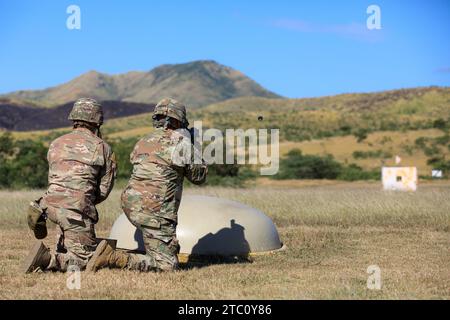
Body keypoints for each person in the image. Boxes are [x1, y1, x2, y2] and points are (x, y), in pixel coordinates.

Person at [87, 97, 207, 272]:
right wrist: (195, 146)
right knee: (166, 266)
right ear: (177, 120)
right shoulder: (182, 143)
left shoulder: (143, 141)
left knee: (166, 247)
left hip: (131, 204)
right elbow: (199, 177)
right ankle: (112, 257)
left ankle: (163, 248)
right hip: (155, 211)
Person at [22, 98, 117, 273]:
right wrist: (84, 202)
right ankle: (48, 260)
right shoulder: (102, 147)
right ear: (97, 120)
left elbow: (55, 176)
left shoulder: (56, 143)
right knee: (87, 259)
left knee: (65, 217)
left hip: (50, 204)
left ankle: (43, 213)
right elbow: (104, 189)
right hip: (75, 208)